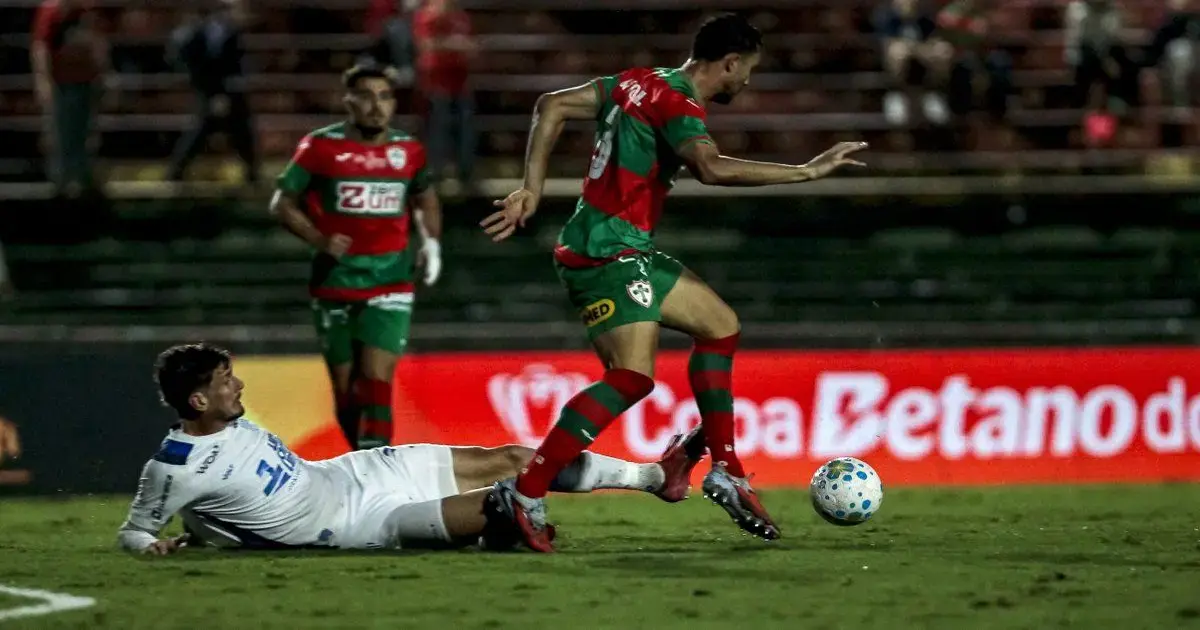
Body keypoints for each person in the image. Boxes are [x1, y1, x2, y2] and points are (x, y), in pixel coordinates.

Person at [481, 13, 868, 552]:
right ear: (729, 63)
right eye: (747, 71)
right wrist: (805, 171)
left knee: (720, 326)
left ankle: (724, 469)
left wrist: (531, 189)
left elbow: (551, 105)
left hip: (621, 244)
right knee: (630, 378)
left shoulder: (640, 80)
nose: (748, 82)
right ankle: (523, 494)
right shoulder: (678, 103)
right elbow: (710, 168)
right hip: (607, 252)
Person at [117, 343, 704, 555]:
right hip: (360, 524)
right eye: (225, 381)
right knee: (504, 500)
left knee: (514, 458)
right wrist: (154, 546)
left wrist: (205, 530)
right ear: (197, 403)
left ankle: (657, 478)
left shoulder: (230, 423)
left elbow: (228, 505)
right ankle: (501, 526)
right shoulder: (173, 468)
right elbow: (136, 529)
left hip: (356, 473)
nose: (238, 385)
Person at [270, 62, 443, 451]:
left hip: (391, 279)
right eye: (365, 96)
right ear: (348, 101)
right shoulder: (320, 147)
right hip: (336, 280)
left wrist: (431, 243)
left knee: (376, 378)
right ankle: (359, 460)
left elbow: (426, 198)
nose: (376, 105)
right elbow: (282, 203)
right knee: (348, 392)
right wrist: (319, 238)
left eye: (384, 96)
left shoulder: (408, 151)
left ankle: (377, 469)